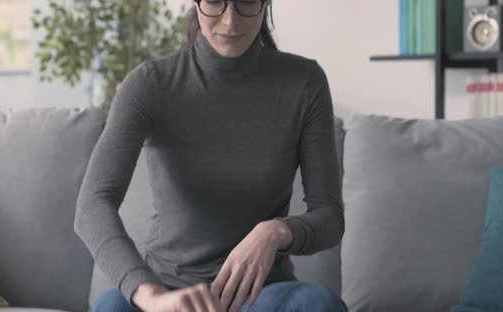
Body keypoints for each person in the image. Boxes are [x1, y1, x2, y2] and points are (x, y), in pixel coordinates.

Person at [74, 0, 348, 311]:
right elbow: (92, 206)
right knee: (111, 307)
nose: (230, 21)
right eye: (216, 2)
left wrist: (275, 231)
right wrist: (150, 295)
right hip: (168, 295)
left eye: (246, 2)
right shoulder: (149, 84)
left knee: (317, 304)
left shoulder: (305, 82)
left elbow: (329, 216)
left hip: (260, 298)